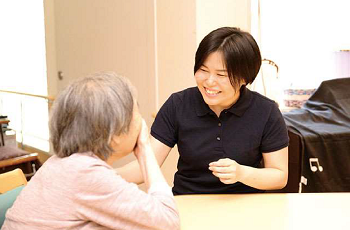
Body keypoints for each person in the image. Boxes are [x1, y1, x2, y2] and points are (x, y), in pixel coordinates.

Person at [117, 27, 289, 195]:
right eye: (203, 70)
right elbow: (146, 166)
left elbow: (279, 176)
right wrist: (97, 177)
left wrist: (241, 173)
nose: (209, 82)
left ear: (245, 78)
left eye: (221, 75)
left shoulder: (266, 111)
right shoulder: (178, 104)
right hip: (188, 202)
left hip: (246, 206)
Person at [2, 72, 180, 230]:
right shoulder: (87, 176)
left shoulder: (61, 163)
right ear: (115, 133)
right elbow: (168, 220)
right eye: (135, 114)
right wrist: (145, 149)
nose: (141, 121)